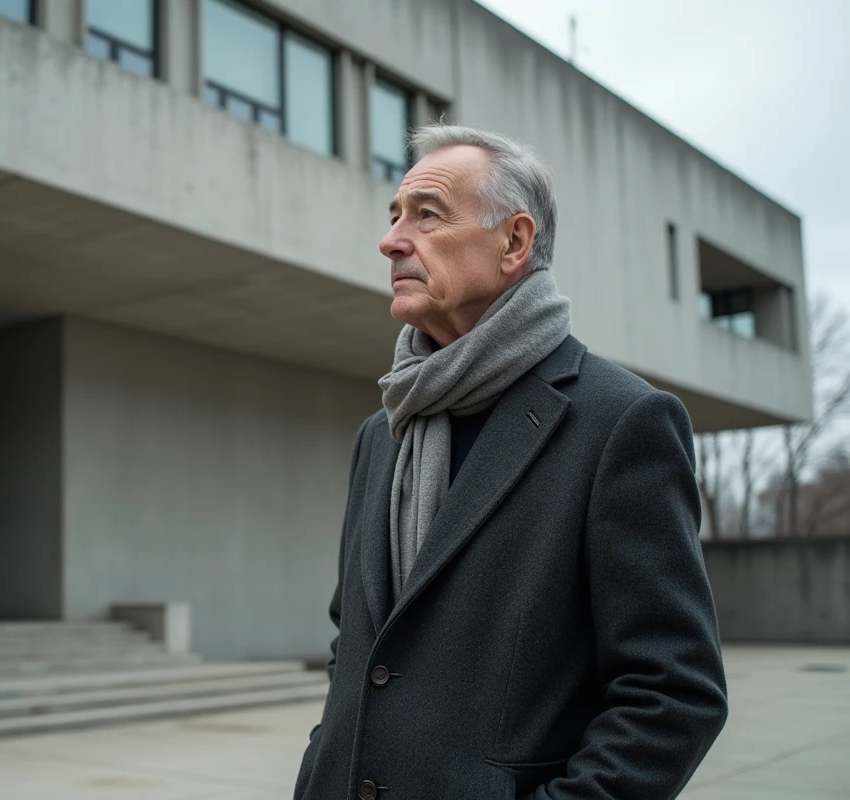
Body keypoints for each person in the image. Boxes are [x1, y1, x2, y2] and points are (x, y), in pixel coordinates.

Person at [293, 125, 728, 800]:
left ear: (514, 242)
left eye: (427, 214)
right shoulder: (380, 435)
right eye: (394, 217)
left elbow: (673, 693)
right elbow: (357, 645)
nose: (392, 240)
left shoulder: (620, 423)